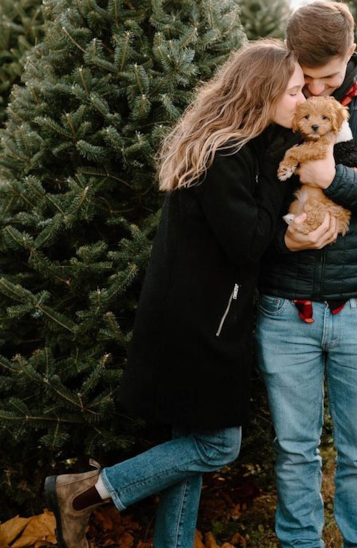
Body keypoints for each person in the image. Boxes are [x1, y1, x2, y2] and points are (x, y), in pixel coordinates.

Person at [45, 40, 329, 548]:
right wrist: (278, 194)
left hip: (201, 315)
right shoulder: (228, 154)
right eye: (291, 91)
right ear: (262, 94)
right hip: (203, 324)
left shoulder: (233, 146)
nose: (302, 99)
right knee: (218, 446)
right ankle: (87, 491)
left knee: (191, 442)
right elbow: (249, 241)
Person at [256, 1, 357, 548]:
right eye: (307, 79)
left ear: (351, 52)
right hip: (286, 307)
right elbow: (251, 197)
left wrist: (334, 177)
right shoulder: (278, 105)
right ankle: (299, 542)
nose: (316, 92)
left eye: (329, 77)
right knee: (295, 448)